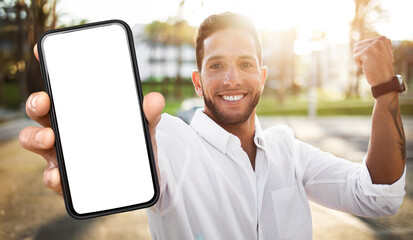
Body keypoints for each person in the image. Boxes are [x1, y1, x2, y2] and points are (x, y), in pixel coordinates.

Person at [20, 12, 406, 239]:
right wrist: (88, 160)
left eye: (246, 64)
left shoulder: (288, 150)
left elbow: (379, 196)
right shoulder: (171, 141)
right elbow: (141, 158)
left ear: (263, 76)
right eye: (217, 65)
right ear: (198, 81)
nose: (233, 79)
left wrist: (385, 90)